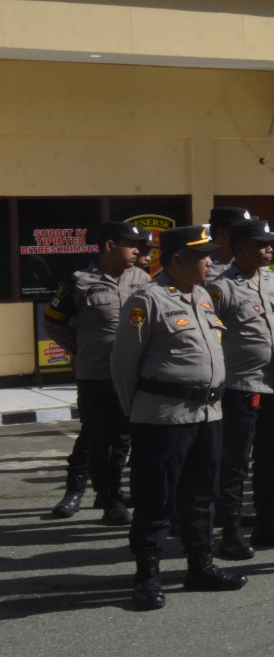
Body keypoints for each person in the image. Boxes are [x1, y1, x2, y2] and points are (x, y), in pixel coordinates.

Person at [111, 224, 242, 609]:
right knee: (155, 499)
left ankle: (200, 566)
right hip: (163, 418)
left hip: (207, 415)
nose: (210, 262)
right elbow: (123, 366)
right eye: (203, 256)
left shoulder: (202, 296)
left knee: (201, 497)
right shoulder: (146, 300)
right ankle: (147, 576)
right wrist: (138, 412)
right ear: (178, 259)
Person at [206, 218, 274, 559]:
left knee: (271, 459)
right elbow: (209, 337)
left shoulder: (272, 279)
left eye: (270, 244)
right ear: (240, 248)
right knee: (235, 464)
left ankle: (266, 524)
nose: (269, 250)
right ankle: (231, 532)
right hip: (241, 387)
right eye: (261, 245)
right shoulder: (220, 288)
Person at [42, 221, 150, 522]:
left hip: (133, 374)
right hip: (97, 375)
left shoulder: (142, 279)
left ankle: (112, 492)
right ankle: (105, 498)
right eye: (131, 245)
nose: (138, 251)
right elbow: (53, 324)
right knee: (101, 438)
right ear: (110, 246)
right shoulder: (78, 281)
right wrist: (82, 350)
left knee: (125, 439)